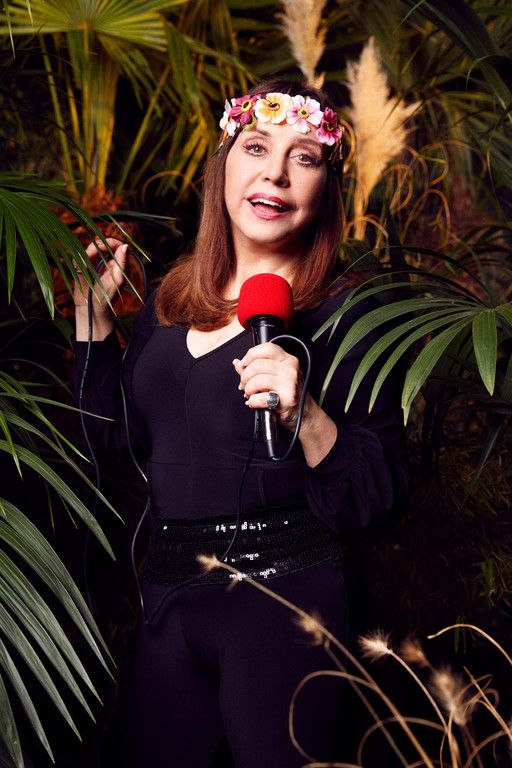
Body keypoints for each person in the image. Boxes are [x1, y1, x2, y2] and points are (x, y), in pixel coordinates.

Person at [73, 79, 408, 768]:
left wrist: (306, 413)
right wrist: (92, 323)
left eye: (303, 157)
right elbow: (117, 442)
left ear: (325, 187)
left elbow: (378, 497)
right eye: (255, 147)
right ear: (223, 168)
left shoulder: (350, 316)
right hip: (169, 603)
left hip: (288, 607)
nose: (275, 173)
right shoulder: (169, 302)